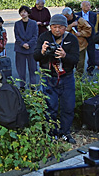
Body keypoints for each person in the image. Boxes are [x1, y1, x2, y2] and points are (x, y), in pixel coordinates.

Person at [34, 14, 80, 144]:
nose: (57, 30)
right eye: (54, 27)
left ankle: (65, 132)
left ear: (66, 27)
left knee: (68, 106)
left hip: (67, 77)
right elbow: (35, 56)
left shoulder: (71, 39)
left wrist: (65, 55)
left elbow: (75, 59)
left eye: (60, 27)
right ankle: (51, 133)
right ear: (50, 27)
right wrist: (42, 51)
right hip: (49, 77)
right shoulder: (44, 37)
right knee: (50, 107)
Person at [14, 5, 39, 88]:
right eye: (21, 12)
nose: (23, 14)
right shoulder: (17, 24)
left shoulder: (34, 23)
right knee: (21, 69)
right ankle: (22, 85)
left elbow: (35, 36)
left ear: (28, 13)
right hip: (20, 48)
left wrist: (28, 44)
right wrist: (23, 44)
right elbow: (17, 36)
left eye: (24, 12)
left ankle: (33, 85)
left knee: (33, 69)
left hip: (31, 48)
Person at [62, 7, 92, 75]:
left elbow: (89, 30)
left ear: (71, 14)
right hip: (68, 45)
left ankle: (79, 77)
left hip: (80, 45)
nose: (66, 18)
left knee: (80, 62)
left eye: (67, 16)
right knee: (68, 61)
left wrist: (81, 33)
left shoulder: (80, 20)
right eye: (64, 17)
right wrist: (71, 26)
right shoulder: (63, 20)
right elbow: (61, 30)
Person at [76, 0, 98, 73]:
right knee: (80, 54)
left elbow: (93, 25)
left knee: (91, 54)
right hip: (81, 37)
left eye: (89, 5)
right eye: (86, 5)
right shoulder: (77, 15)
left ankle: (90, 69)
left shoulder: (93, 15)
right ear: (82, 7)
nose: (88, 7)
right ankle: (79, 70)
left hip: (90, 36)